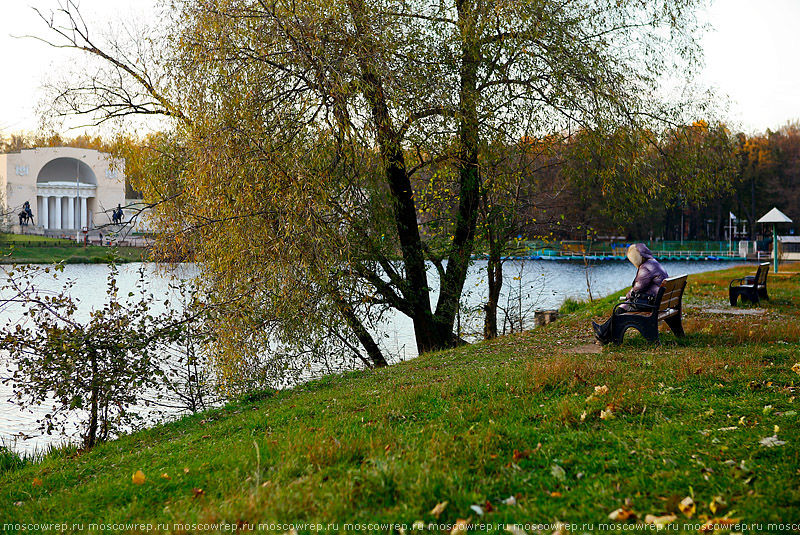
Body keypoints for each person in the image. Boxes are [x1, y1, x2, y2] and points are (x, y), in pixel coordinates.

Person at [592, 243, 668, 345]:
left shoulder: (645, 268)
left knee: (620, 309)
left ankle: (604, 334)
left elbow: (638, 288)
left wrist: (627, 296)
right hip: (660, 302)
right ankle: (604, 334)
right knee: (622, 308)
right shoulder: (655, 263)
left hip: (651, 305)